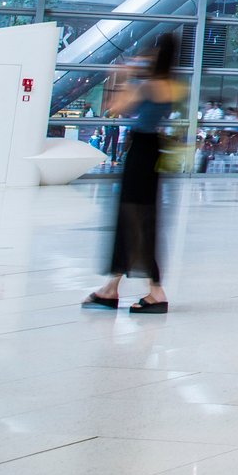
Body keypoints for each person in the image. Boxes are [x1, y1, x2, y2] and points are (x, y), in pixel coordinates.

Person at [82, 32, 183, 315]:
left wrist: (122, 76)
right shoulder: (172, 86)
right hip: (153, 153)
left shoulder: (149, 85)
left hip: (140, 152)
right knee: (140, 219)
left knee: (133, 219)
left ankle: (153, 292)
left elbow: (115, 109)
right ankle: (114, 287)